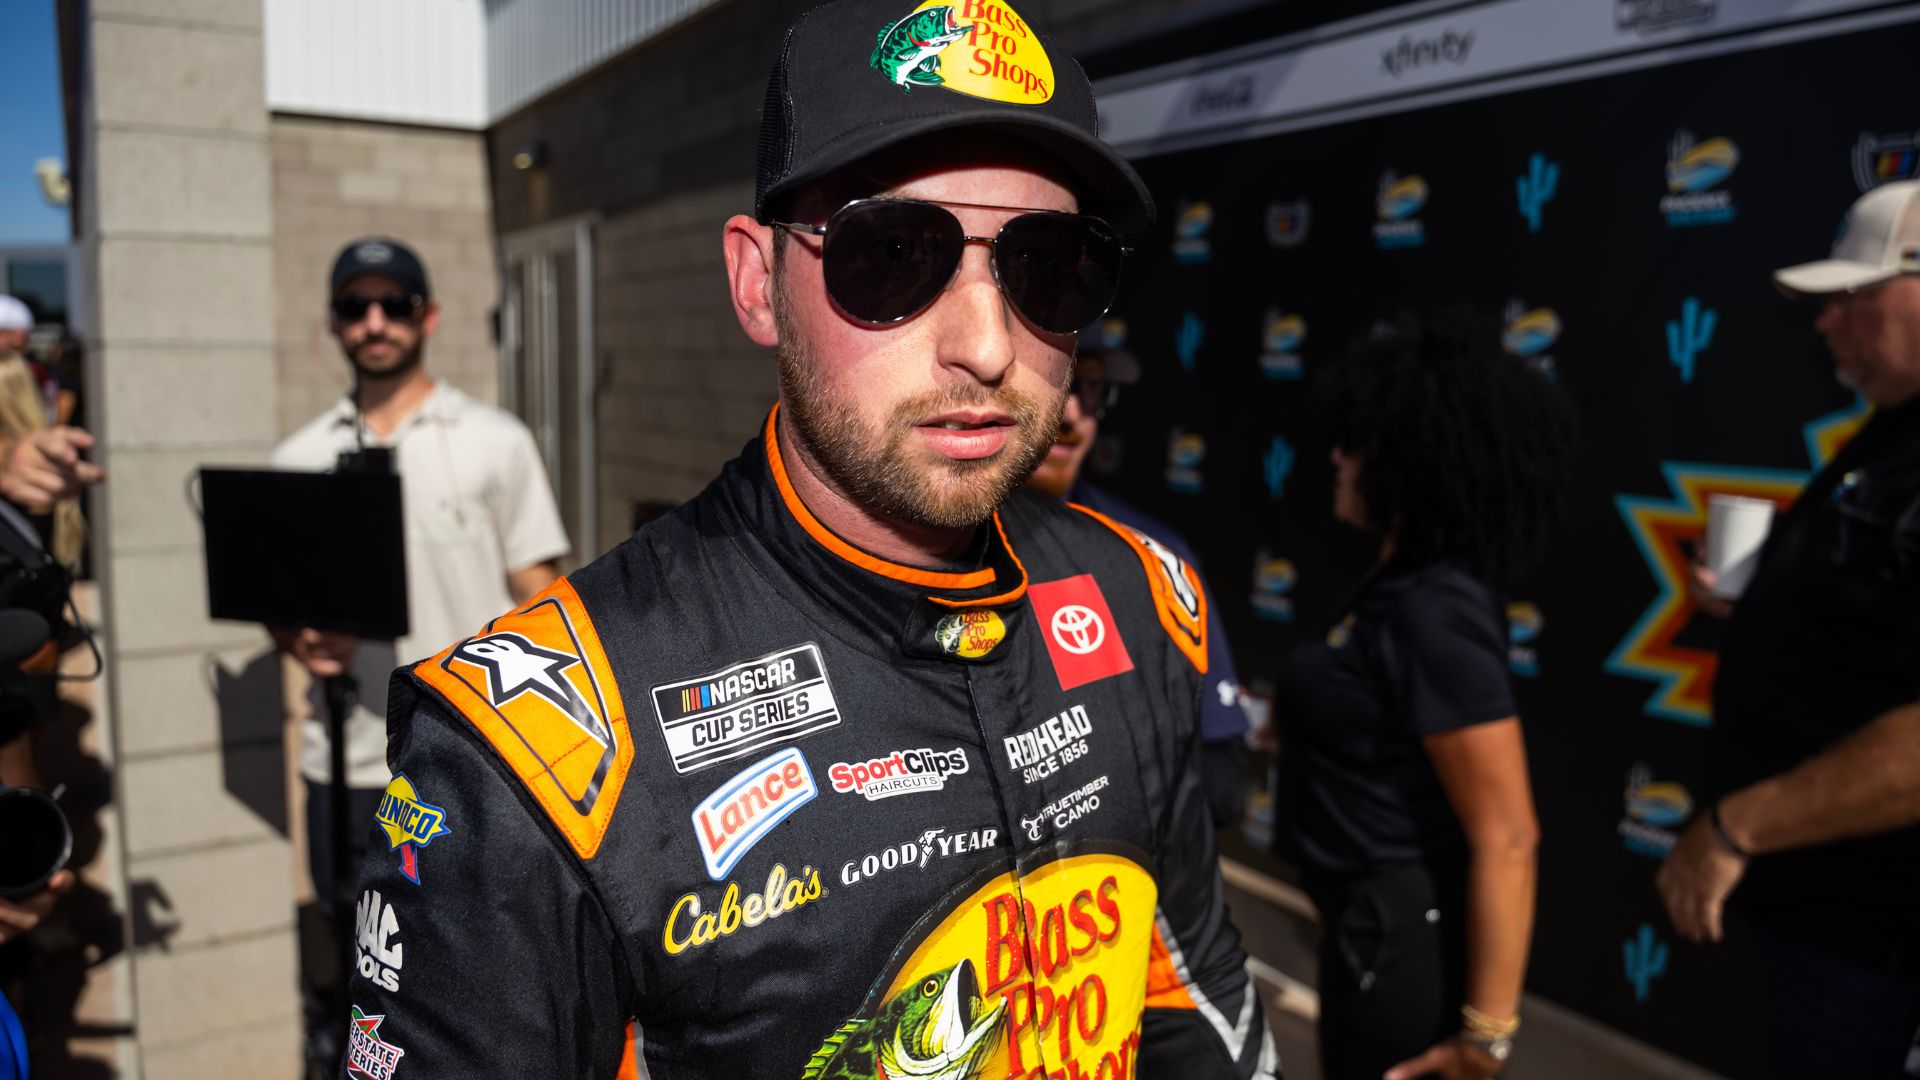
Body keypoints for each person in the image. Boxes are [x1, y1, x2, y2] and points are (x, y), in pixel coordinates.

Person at [338, 4, 1276, 1077]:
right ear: (758, 283)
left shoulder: (1139, 594)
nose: (985, 344)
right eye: (893, 257)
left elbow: (1191, 990)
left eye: (1049, 265)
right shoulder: (531, 765)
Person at [271, 237, 569, 1075]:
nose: (375, 322)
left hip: (470, 759)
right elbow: (282, 617)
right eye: (356, 306)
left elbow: (541, 594)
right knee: (364, 962)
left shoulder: (495, 441)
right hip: (347, 764)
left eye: (394, 304)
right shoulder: (297, 459)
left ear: (427, 316)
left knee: (475, 970)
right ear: (333, 322)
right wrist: (297, 637)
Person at [1660, 178, 1920, 1078]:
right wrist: (1774, 599)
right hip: (1821, 926)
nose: (1828, 323)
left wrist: (1737, 830)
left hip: (1871, 942)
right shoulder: (1891, 433)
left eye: (1852, 295)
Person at [1272, 313, 1572, 1080]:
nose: (1337, 458)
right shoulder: (1394, 583)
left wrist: (1487, 1036)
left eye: (1360, 443)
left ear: (1410, 461)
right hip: (1360, 928)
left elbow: (1509, 837)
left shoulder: (1434, 609)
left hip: (1402, 945)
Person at [1027, 324, 1254, 829]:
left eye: (1089, 388)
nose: (1072, 415)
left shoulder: (1153, 556)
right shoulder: (922, 545)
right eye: (1051, 380)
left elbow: (1222, 781)